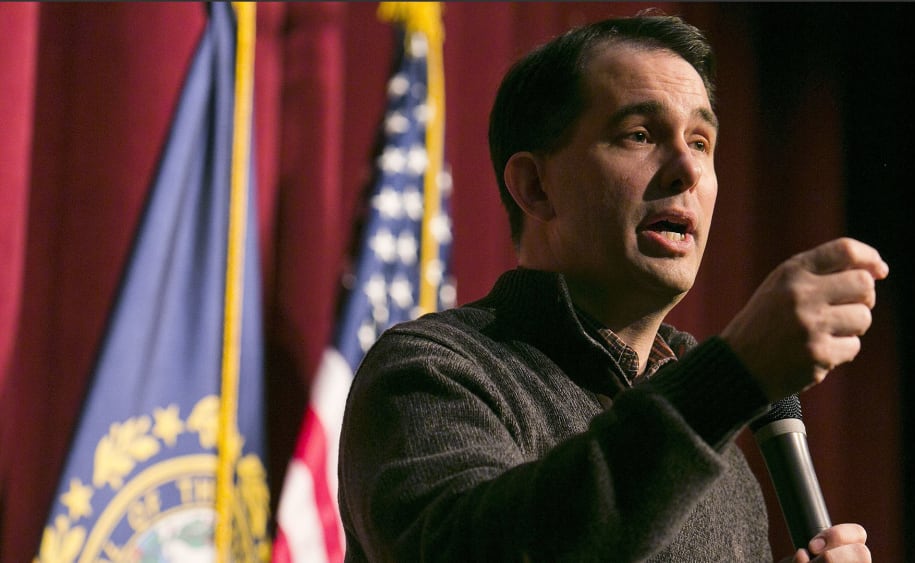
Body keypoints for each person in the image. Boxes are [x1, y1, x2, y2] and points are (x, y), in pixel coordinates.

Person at [339, 11, 886, 563]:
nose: (686, 171)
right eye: (639, 135)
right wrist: (731, 375)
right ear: (535, 186)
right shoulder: (434, 371)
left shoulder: (726, 462)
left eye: (700, 142)